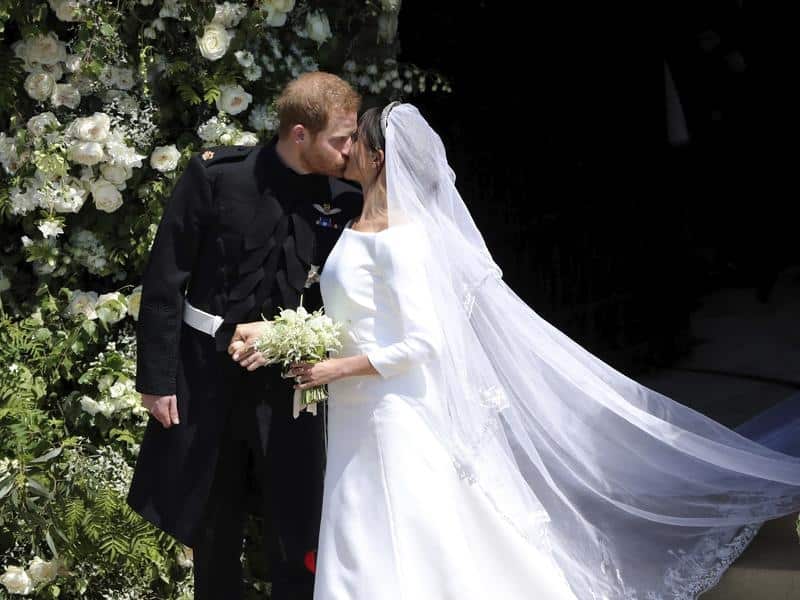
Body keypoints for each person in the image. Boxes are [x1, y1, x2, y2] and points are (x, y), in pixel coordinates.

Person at [233, 103, 800, 599]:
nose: (347, 147)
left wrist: (338, 367)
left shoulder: (401, 239)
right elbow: (357, 317)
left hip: (392, 409)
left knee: (401, 521)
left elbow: (424, 342)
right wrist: (280, 335)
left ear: (378, 157)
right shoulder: (359, 222)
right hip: (360, 406)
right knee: (365, 523)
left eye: (357, 140)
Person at [127, 72, 362, 600]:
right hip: (207, 377)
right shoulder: (218, 178)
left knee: (296, 527)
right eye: (340, 139)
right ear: (300, 133)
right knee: (213, 526)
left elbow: (347, 300)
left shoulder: (346, 200)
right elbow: (166, 280)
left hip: (294, 388)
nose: (350, 150)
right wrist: (157, 380)